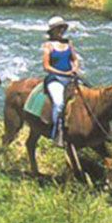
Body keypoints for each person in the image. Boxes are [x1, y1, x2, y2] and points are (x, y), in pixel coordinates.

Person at [42, 16, 81, 148]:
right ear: (52, 31)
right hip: (55, 79)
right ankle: (57, 133)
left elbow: (75, 59)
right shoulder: (48, 45)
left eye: (62, 28)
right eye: (58, 28)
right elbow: (46, 66)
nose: (60, 31)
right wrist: (63, 73)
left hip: (70, 78)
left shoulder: (68, 43)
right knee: (59, 103)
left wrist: (75, 68)